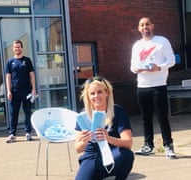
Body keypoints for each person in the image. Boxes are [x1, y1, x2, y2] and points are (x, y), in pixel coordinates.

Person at [130, 17, 176, 159]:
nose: (145, 27)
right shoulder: (137, 45)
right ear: (139, 28)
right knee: (146, 118)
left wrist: (159, 67)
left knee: (162, 117)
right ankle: (148, 145)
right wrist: (136, 69)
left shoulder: (162, 41)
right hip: (142, 86)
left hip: (158, 86)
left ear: (152, 26)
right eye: (142, 25)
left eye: (147, 24)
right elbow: (131, 66)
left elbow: (172, 61)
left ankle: (168, 145)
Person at [75, 76, 134, 180]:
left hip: (113, 152)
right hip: (92, 156)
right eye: (92, 93)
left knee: (126, 155)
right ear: (88, 96)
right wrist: (84, 142)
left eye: (99, 92)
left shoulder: (118, 111)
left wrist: (108, 138)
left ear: (107, 93)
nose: (96, 96)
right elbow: (78, 149)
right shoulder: (83, 116)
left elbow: (128, 143)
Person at [5, 40, 37, 143]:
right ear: (13, 49)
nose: (17, 49)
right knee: (13, 113)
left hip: (27, 91)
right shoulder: (10, 62)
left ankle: (28, 132)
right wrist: (8, 91)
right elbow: (8, 77)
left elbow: (32, 75)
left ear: (21, 48)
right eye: (15, 47)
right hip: (14, 92)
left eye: (18, 47)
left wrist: (33, 89)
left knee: (27, 112)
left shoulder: (27, 61)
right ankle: (12, 134)